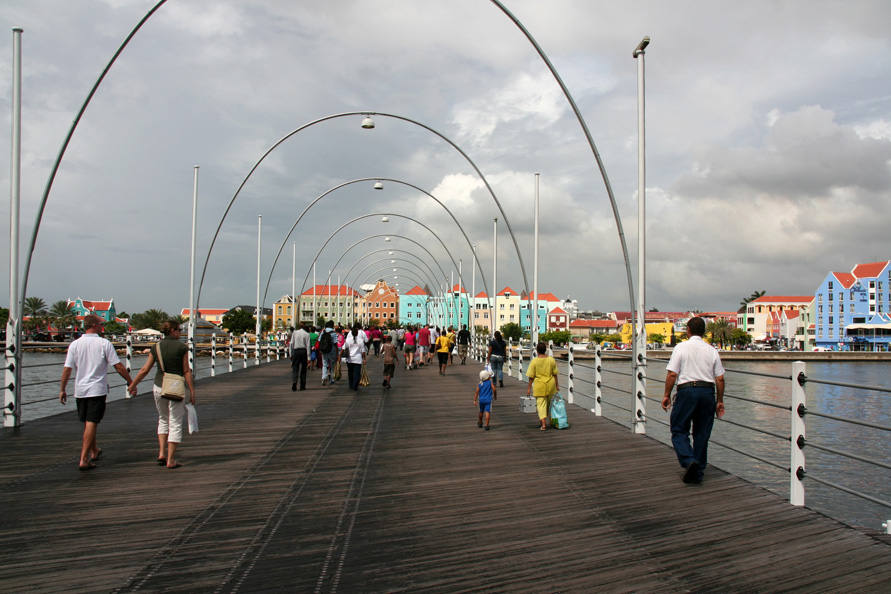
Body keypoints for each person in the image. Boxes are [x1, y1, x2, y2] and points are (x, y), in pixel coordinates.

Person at [59, 314, 133, 471]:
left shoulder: (75, 344)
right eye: (101, 324)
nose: (102, 327)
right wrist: (131, 382)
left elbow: (67, 369)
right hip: (97, 389)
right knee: (92, 422)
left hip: (80, 389)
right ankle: (84, 459)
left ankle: (94, 450)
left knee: (88, 422)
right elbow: (118, 366)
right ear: (94, 325)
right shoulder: (104, 343)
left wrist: (62, 389)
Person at [661, 316, 726, 484]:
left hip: (687, 391)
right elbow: (720, 378)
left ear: (688, 330)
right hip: (707, 392)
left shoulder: (681, 347)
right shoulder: (712, 350)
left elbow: (672, 374)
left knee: (679, 429)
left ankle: (689, 460)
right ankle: (698, 472)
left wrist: (667, 395)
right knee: (702, 433)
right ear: (704, 331)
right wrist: (719, 400)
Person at [128, 319, 196, 469]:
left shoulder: (156, 347)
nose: (181, 332)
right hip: (176, 387)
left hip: (159, 386)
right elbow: (186, 371)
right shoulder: (182, 347)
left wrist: (132, 384)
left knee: (163, 419)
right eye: (179, 330)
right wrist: (192, 391)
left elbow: (145, 369)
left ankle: (161, 453)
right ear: (172, 330)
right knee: (175, 422)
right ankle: (171, 460)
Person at [525, 341, 559, 431]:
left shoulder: (534, 361)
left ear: (537, 351)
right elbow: (555, 374)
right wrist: (557, 385)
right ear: (545, 350)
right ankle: (542, 420)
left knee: (541, 404)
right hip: (550, 384)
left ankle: (543, 424)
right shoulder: (551, 360)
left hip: (539, 385)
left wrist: (528, 389)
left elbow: (531, 376)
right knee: (547, 404)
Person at [342, 323, 368, 391]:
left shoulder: (348, 340)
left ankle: (351, 384)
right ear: (357, 333)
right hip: (358, 359)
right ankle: (355, 385)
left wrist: (339, 356)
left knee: (350, 372)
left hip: (349, 359)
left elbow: (343, 348)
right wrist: (364, 359)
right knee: (357, 373)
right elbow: (363, 351)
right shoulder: (360, 340)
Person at [290, 322, 311, 391]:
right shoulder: (307, 334)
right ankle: (302, 384)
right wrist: (309, 357)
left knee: (295, 368)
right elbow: (308, 346)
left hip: (296, 351)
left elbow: (291, 343)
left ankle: (294, 382)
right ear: (304, 327)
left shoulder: (294, 333)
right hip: (303, 351)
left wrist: (291, 354)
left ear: (298, 327)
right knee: (303, 368)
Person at [320, 320, 339, 386]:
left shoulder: (323, 331)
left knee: (325, 364)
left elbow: (320, 341)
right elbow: (335, 343)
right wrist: (337, 353)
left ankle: (324, 377)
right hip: (332, 350)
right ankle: (332, 379)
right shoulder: (333, 333)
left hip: (324, 350)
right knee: (333, 365)